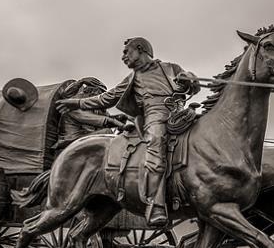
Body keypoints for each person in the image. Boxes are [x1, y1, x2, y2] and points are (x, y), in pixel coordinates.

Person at [56, 37, 199, 227]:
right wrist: (78, 102)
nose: (123, 56)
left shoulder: (172, 68)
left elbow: (193, 88)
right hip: (154, 117)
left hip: (180, 113)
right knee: (156, 142)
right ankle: (155, 204)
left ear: (140, 50)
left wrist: (191, 80)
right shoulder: (133, 78)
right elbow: (106, 98)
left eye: (126, 52)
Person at [53, 77, 127, 152]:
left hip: (83, 139)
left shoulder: (97, 109)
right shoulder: (73, 107)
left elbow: (107, 118)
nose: (99, 97)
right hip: (70, 142)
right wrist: (80, 82)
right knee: (106, 133)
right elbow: (103, 120)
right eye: (99, 93)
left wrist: (119, 118)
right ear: (90, 92)